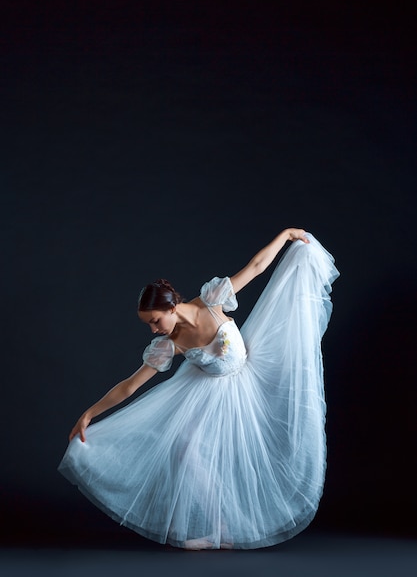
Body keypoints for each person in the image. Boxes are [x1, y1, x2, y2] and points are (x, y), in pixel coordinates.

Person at [58, 228, 339, 550]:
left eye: (155, 321)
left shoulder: (212, 301)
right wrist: (89, 413)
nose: (152, 329)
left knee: (250, 451)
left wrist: (286, 235)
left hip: (250, 381)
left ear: (172, 307)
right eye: (148, 324)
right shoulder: (170, 343)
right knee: (186, 451)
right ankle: (219, 526)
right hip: (207, 392)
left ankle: (237, 521)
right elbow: (130, 385)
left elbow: (257, 266)